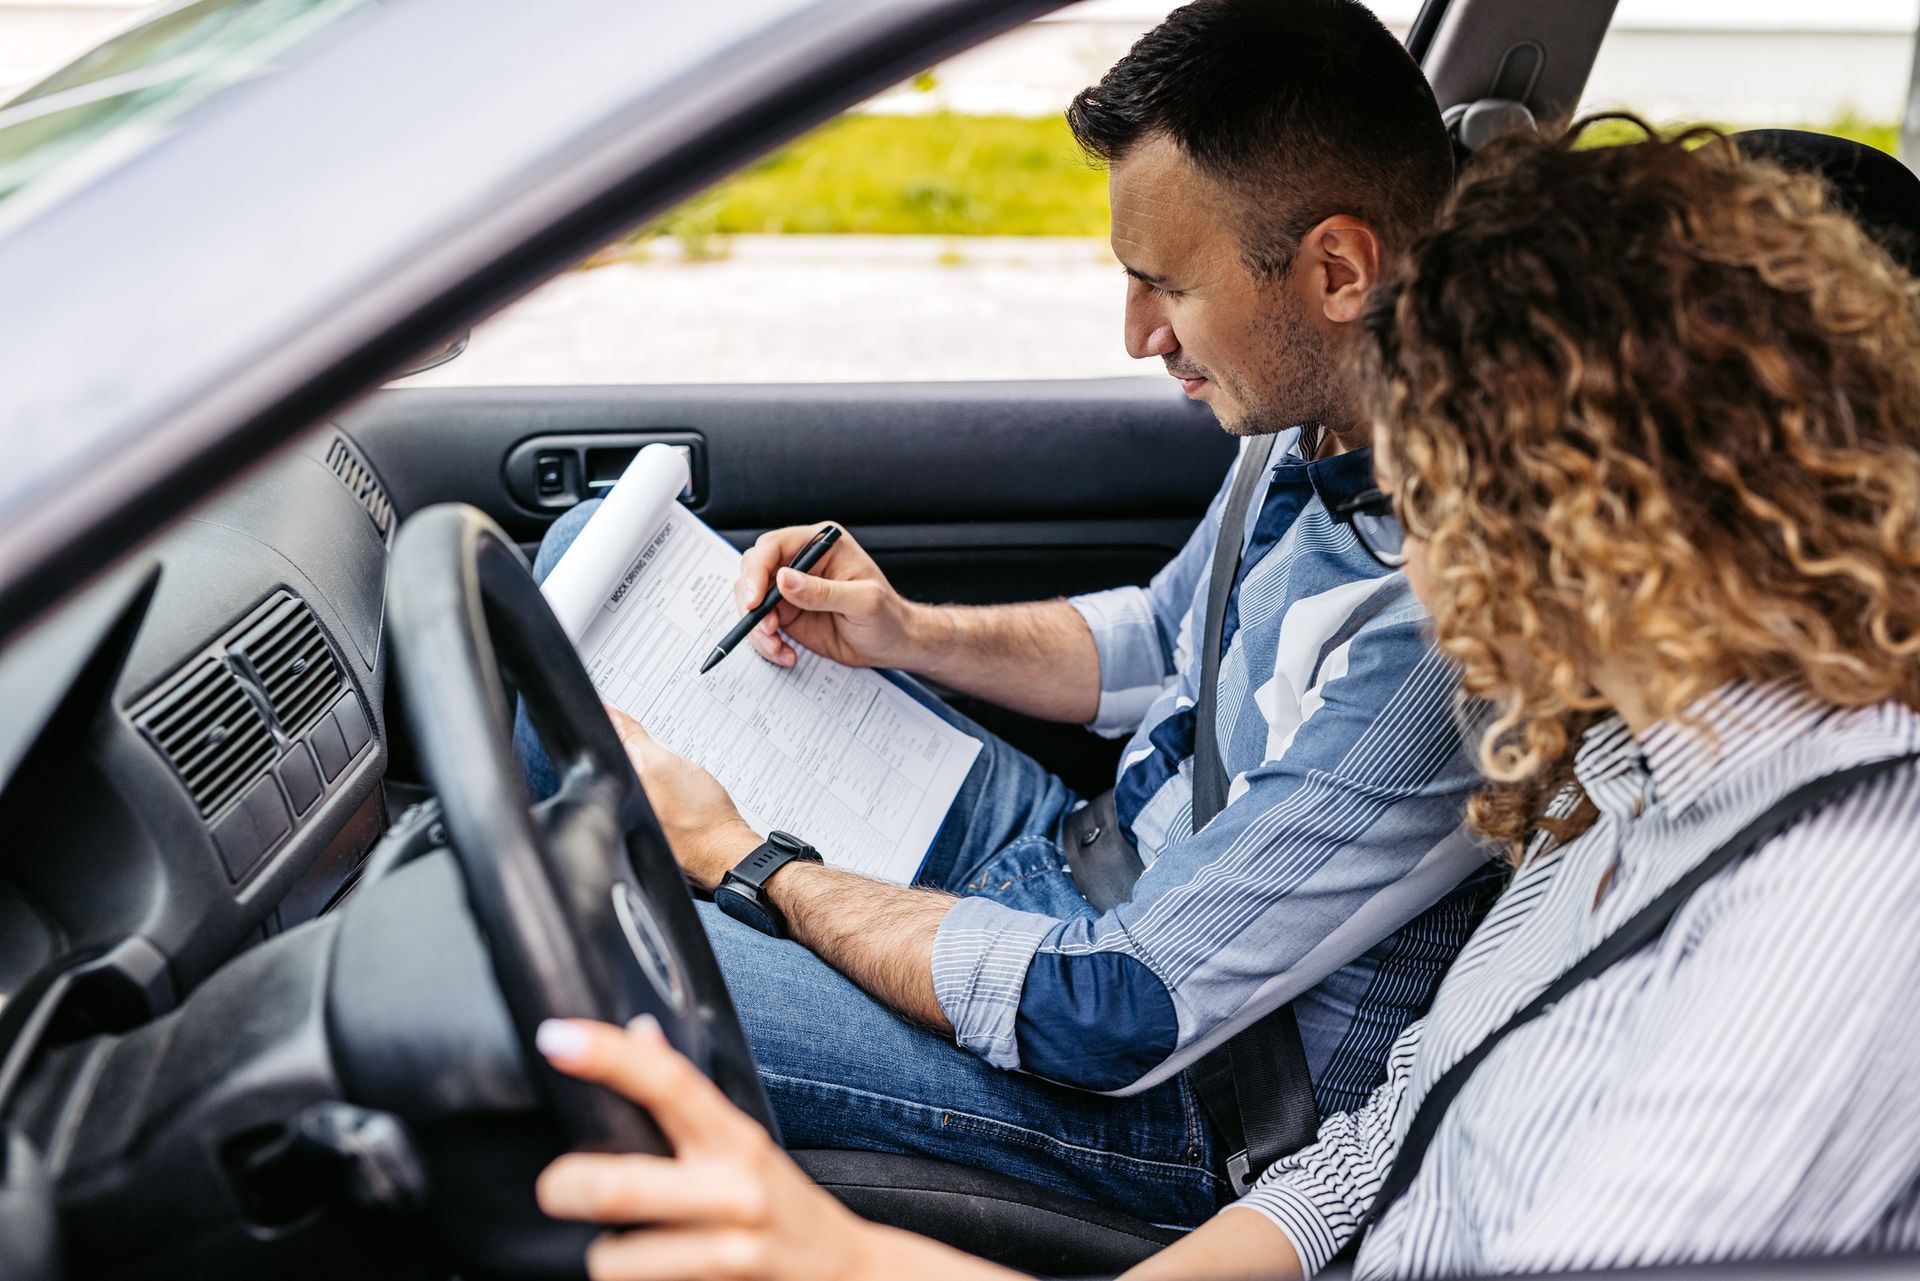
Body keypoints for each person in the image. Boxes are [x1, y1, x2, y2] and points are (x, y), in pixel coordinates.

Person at [528, 120, 1920, 1279]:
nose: (1413, 553)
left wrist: (849, 1255)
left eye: (1431, 492)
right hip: (1185, 1017)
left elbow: (1138, 1013)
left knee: (550, 951)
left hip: (1177, 1061)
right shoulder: (1622, 771)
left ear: (1595, 519)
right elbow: (1376, 1158)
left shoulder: (1841, 893)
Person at [520, 0, 1498, 1227]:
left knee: (562, 968)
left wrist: (747, 862)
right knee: (580, 588)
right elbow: (1160, 637)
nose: (1139, 335)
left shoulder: (1454, 621)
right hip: (1074, 852)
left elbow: (1116, 1011)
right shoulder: (1314, 419)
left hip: (1174, 1090)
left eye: (1166, 289)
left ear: (1339, 271)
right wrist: (904, 629)